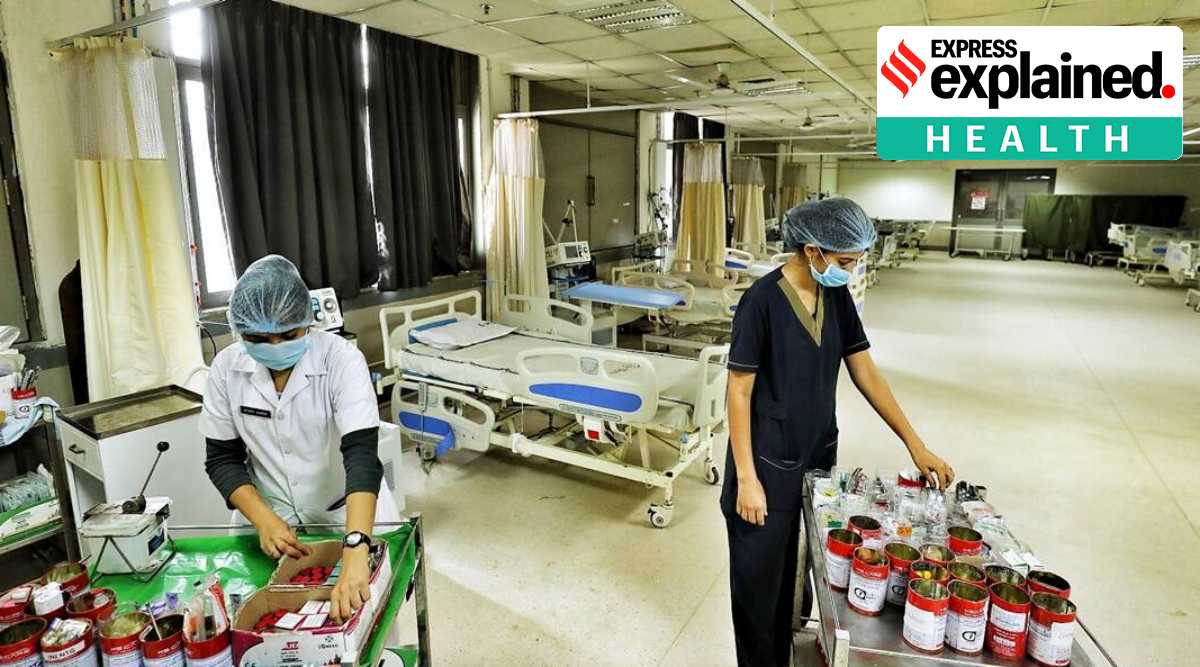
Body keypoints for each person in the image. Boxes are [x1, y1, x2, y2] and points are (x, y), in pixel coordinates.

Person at [721, 198, 954, 666]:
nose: (851, 271)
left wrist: (915, 443)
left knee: (798, 582)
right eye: (846, 262)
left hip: (814, 460)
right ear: (813, 251)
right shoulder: (761, 302)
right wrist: (746, 478)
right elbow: (739, 391)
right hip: (764, 467)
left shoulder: (836, 298)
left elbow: (865, 370)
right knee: (759, 592)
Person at [201, 255, 400, 623]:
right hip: (271, 525)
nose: (275, 346)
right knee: (267, 625)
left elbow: (361, 455)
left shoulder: (341, 360)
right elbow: (222, 459)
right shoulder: (227, 369)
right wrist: (263, 519)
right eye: (259, 339)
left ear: (307, 321)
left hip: (345, 514)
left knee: (363, 622)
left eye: (289, 335)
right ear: (240, 330)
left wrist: (357, 546)